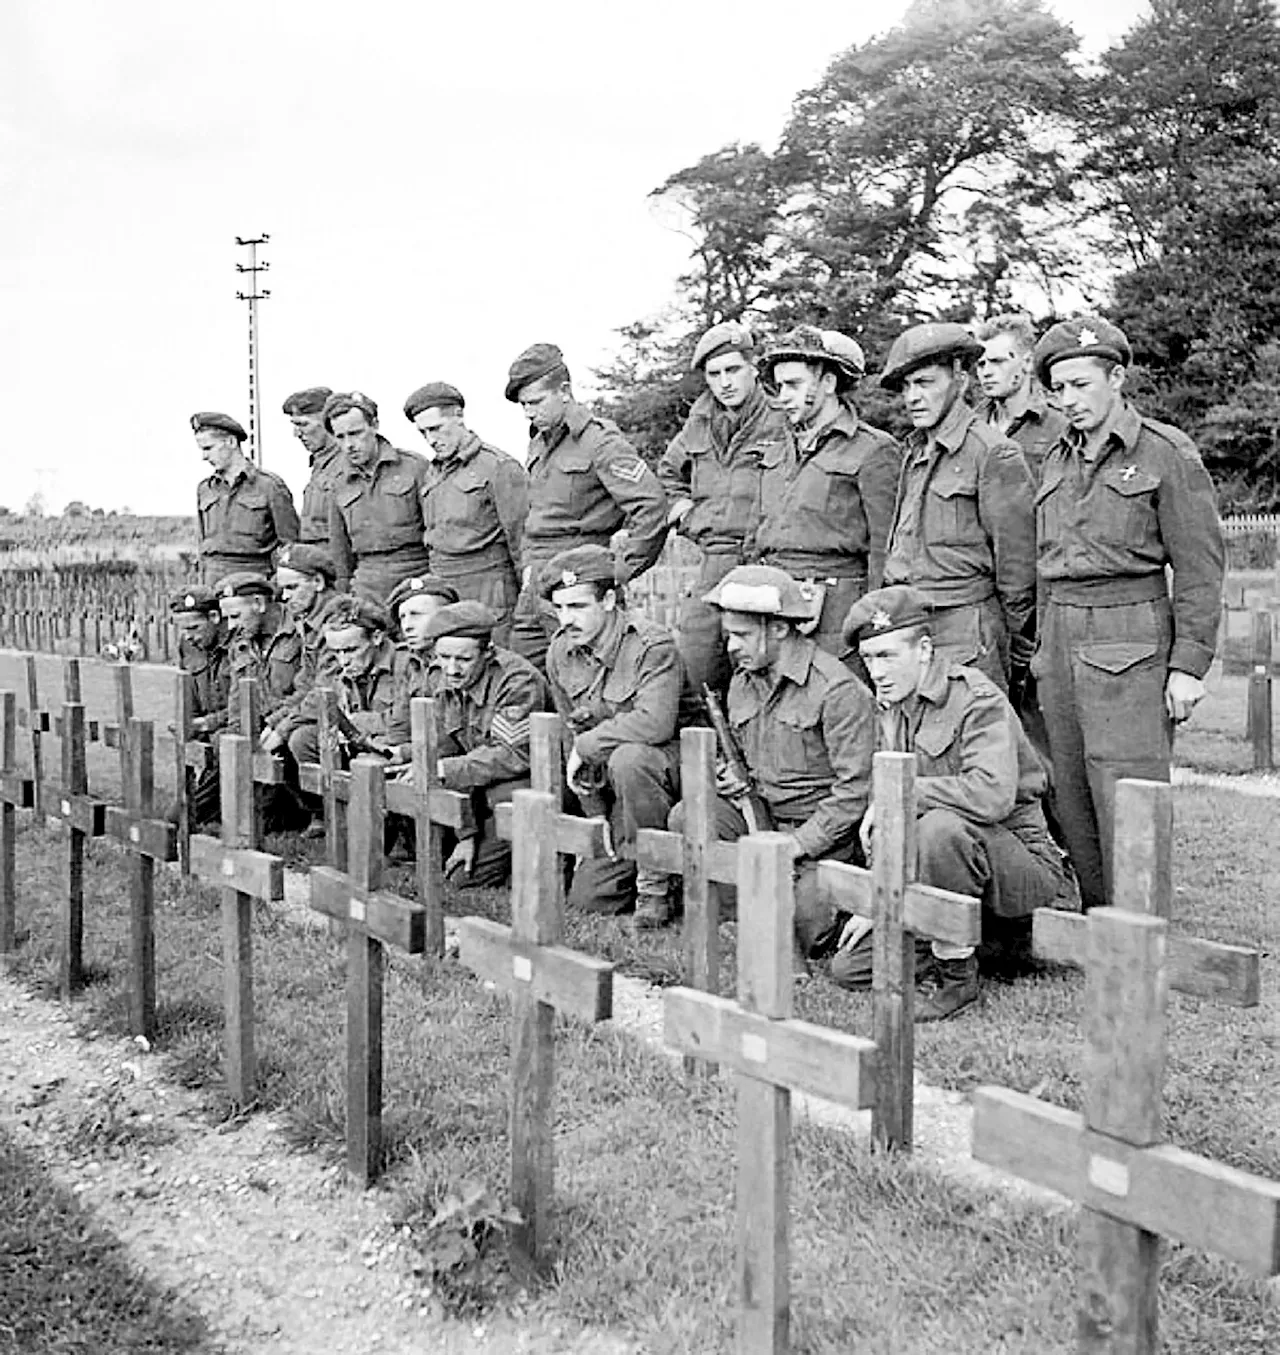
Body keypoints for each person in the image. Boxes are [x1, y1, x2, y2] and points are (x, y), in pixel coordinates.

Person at [1031, 316, 1224, 911]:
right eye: (1059, 388)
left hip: (1131, 632)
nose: (1069, 400)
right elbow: (1048, 561)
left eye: (1082, 385)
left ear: (1117, 379)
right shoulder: (1056, 459)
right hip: (1062, 630)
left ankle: (1143, 925)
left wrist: (1188, 664)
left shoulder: (1165, 452)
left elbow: (1199, 565)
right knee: (1072, 789)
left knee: (1128, 784)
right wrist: (1041, 648)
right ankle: (1097, 923)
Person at [838, 586, 1074, 1019]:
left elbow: (990, 796)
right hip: (939, 868)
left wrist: (902, 793)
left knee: (941, 828)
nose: (877, 671)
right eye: (869, 659)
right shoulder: (890, 708)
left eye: (888, 656)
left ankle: (957, 978)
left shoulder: (975, 698)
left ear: (924, 649)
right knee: (851, 967)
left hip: (1018, 861)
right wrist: (879, 896)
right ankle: (988, 943)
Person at [671, 564, 874, 960]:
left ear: (780, 629)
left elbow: (857, 790)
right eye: (729, 635)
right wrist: (733, 778)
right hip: (759, 819)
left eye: (743, 635)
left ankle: (770, 918)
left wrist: (798, 844)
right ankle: (737, 918)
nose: (730, 646)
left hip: (823, 839)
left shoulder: (837, 690)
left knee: (805, 921)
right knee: (688, 817)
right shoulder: (742, 682)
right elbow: (746, 763)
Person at [879, 323, 1036, 692]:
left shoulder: (992, 452)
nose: (912, 397)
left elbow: (1017, 568)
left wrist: (1015, 646)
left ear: (960, 380)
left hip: (965, 631)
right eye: (906, 386)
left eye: (925, 382)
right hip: (909, 624)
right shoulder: (915, 450)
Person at [541, 545, 689, 926]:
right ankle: (644, 864)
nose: (566, 619)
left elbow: (655, 724)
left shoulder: (651, 645)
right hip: (612, 787)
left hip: (669, 776)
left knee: (631, 757)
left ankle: (654, 886)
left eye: (577, 607)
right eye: (559, 608)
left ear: (608, 600)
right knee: (591, 899)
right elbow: (572, 730)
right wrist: (596, 816)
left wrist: (589, 746)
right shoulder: (560, 651)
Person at [504, 343, 668, 670]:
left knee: (587, 678)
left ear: (564, 391)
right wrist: (527, 570)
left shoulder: (600, 441)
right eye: (523, 405)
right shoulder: (539, 441)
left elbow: (652, 507)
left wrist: (619, 571)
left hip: (577, 581)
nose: (528, 413)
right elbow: (535, 515)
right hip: (536, 586)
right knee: (523, 678)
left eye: (536, 402)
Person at [754, 327, 902, 659]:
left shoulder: (873, 450)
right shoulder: (776, 449)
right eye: (779, 387)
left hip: (838, 612)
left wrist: (874, 624)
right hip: (775, 600)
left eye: (794, 384)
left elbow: (885, 549)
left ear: (828, 383)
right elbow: (757, 533)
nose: (783, 396)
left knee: (840, 703)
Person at [657, 320, 789, 691]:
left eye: (733, 370)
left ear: (754, 368)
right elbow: (668, 473)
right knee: (694, 663)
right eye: (714, 374)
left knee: (762, 666)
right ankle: (705, 745)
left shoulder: (781, 420)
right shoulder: (698, 424)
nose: (724, 382)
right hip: (713, 559)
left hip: (762, 560)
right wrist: (685, 514)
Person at [387, 601, 548, 888]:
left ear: (488, 653)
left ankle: (537, 868)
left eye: (463, 659)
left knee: (469, 876)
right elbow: (446, 745)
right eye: (443, 657)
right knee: (459, 877)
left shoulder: (517, 681)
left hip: (523, 786)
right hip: (477, 784)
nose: (452, 669)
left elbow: (512, 756)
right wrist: (406, 756)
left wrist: (443, 769)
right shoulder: (446, 680)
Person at [405, 381, 528, 645]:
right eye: (423, 432)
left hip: (489, 588)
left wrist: (527, 605)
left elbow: (521, 543)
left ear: (459, 417)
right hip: (445, 588)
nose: (431, 440)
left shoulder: (498, 467)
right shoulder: (432, 473)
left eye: (437, 429)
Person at [217, 573, 310, 832]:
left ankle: (314, 813)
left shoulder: (299, 633)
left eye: (235, 616)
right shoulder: (241, 644)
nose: (230, 625)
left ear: (259, 603)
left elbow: (309, 689)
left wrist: (276, 725)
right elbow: (237, 700)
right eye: (226, 618)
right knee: (258, 822)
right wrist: (238, 740)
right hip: (264, 731)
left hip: (293, 724)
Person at [324, 391, 433, 602]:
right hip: (367, 584)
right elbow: (340, 551)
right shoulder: (338, 483)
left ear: (375, 425)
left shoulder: (414, 467)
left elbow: (436, 532)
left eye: (356, 433)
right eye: (340, 437)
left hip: (415, 575)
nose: (349, 445)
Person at [287, 595, 399, 770]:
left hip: (393, 747)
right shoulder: (344, 670)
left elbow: (404, 724)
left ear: (376, 637)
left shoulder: (404, 666)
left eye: (350, 650)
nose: (343, 661)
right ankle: (333, 797)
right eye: (336, 652)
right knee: (303, 739)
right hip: (360, 745)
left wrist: (357, 722)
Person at [258, 544, 342, 767]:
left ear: (318, 582)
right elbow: (305, 687)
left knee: (298, 740)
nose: (284, 597)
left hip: (352, 719)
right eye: (283, 589)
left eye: (292, 587)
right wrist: (275, 721)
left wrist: (282, 729)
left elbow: (324, 691)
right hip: (327, 713)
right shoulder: (309, 621)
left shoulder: (338, 623)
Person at [192, 412, 299, 583]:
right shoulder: (205, 489)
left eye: (208, 448)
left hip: (253, 587)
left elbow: (290, 545)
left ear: (231, 442)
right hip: (212, 584)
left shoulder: (269, 486)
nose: (204, 457)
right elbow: (202, 546)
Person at [973, 314, 1068, 485]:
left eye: (997, 361)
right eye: (981, 364)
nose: (986, 372)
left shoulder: (1059, 426)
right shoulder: (971, 426)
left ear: (1028, 362)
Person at [169, 585, 229, 826]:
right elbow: (189, 696)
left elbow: (249, 704)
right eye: (183, 630)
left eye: (194, 628)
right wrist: (188, 723)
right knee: (178, 816)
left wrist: (206, 724)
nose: (189, 636)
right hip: (209, 740)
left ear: (214, 617)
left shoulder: (237, 646)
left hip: (231, 735)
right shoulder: (188, 647)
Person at [282, 387, 345, 549]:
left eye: (303, 424)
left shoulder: (346, 464)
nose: (296, 433)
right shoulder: (320, 464)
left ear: (328, 423)